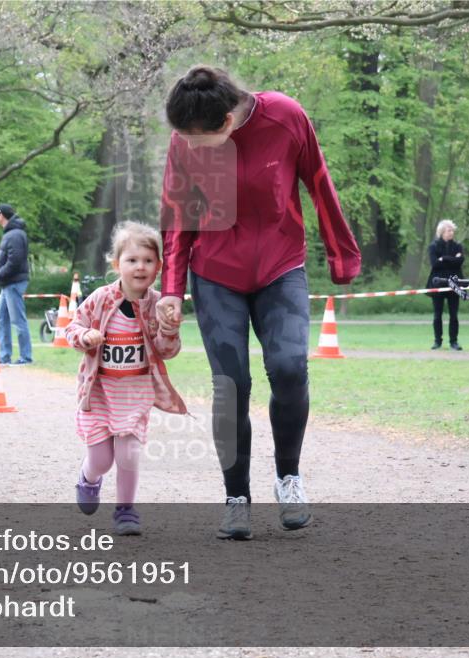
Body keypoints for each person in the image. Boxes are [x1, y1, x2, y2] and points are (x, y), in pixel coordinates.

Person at [156, 66, 361, 539]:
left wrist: (341, 255)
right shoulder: (186, 141)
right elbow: (176, 211)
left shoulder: (286, 117)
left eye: (197, 138)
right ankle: (236, 498)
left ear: (227, 120)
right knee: (232, 384)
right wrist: (172, 287)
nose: (189, 145)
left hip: (280, 267)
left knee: (289, 368)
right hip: (215, 274)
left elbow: (319, 182)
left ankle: (288, 478)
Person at [67, 222, 186, 536]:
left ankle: (125, 510)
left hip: (134, 396)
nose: (140, 267)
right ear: (116, 264)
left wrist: (170, 329)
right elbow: (70, 328)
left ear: (159, 267)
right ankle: (88, 479)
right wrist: (86, 336)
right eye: (132, 260)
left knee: (128, 454)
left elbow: (165, 350)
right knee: (102, 460)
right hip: (98, 394)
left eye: (148, 261)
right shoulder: (100, 299)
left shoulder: (160, 304)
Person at [0, 204, 33, 366]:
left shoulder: (14, 235)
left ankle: (25, 357)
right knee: (2, 319)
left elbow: (15, 260)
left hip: (13, 282)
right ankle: (5, 356)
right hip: (8, 283)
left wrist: (1, 272)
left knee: (18, 320)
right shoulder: (12, 233)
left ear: (1, 215)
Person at [426, 219, 465, 350]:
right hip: (438, 283)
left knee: (454, 314)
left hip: (454, 282)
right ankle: (437, 341)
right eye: (449, 230)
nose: (451, 232)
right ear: (442, 232)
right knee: (437, 314)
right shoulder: (433, 246)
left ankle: (454, 341)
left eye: (452, 230)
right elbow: (435, 263)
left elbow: (459, 261)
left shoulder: (458, 246)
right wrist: (452, 258)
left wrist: (444, 258)